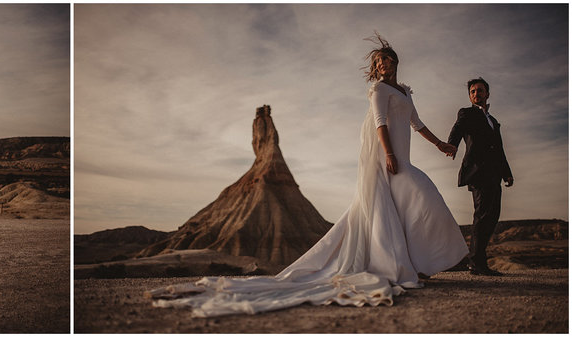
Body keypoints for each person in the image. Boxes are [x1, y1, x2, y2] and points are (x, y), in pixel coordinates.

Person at [147, 33, 469, 317]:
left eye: (386, 58)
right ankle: (406, 265)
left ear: (395, 61)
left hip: (403, 160)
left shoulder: (405, 92)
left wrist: (441, 143)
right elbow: (380, 124)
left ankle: (417, 264)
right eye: (377, 60)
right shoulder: (378, 91)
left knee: (414, 206)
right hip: (387, 161)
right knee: (419, 199)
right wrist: (388, 154)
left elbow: (416, 123)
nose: (382, 63)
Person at [446, 77, 514, 276]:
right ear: (470, 96)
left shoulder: (493, 121)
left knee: (492, 216)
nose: (476, 94)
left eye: (480, 90)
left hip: (494, 173)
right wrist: (452, 145)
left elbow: (500, 149)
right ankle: (476, 263)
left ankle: (478, 261)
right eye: (473, 91)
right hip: (477, 171)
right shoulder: (467, 113)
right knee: (482, 216)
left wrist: (507, 173)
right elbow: (457, 128)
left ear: (487, 94)